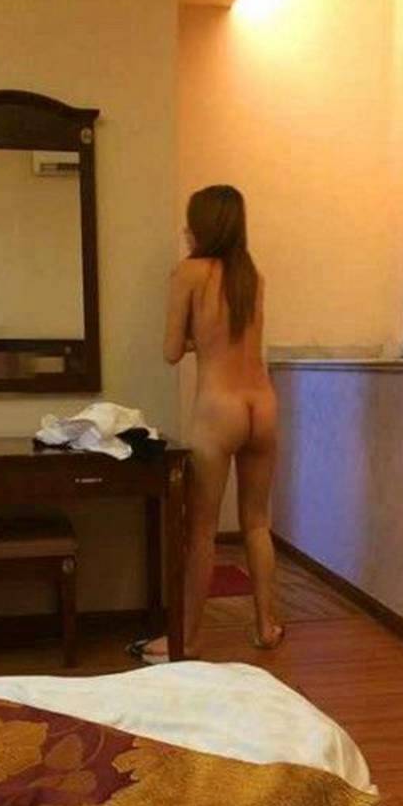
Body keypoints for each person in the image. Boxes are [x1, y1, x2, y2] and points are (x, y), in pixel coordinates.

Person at [129, 184, 284, 663]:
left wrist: (199, 338)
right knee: (257, 523)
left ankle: (187, 638)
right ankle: (266, 626)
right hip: (263, 405)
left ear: (200, 226)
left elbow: (171, 350)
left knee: (201, 530)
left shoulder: (189, 272)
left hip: (219, 409)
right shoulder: (251, 276)